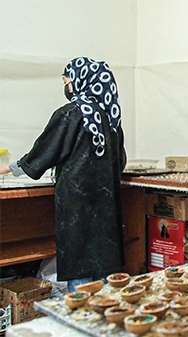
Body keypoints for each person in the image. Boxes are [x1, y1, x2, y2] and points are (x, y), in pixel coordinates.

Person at [0, 57, 127, 291]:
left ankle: (80, 314)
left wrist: (9, 168)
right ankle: (107, 312)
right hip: (106, 203)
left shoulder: (70, 114)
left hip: (76, 204)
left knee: (80, 260)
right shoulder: (110, 117)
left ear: (80, 80)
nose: (66, 85)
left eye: (67, 80)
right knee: (103, 258)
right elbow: (120, 162)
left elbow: (45, 152)